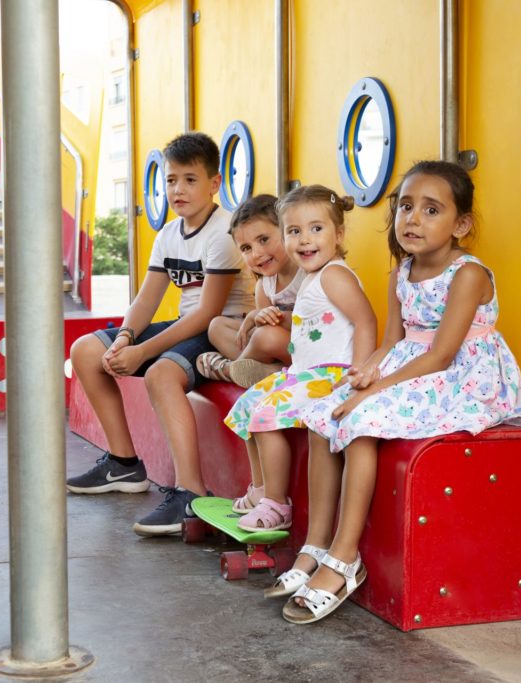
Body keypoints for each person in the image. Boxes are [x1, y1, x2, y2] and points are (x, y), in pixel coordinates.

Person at [283, 160, 521, 624]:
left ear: (461, 224)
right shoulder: (401, 271)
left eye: (431, 210)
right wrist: (362, 374)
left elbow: (440, 355)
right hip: (411, 366)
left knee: (360, 423)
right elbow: (393, 341)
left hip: (463, 378)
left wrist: (368, 398)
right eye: (405, 207)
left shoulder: (469, 275)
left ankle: (344, 557)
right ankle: (315, 544)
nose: (413, 219)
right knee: (324, 415)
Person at [66, 132, 255, 536]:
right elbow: (147, 298)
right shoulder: (170, 234)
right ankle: (123, 464)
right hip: (187, 327)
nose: (178, 189)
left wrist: (142, 352)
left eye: (189, 179)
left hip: (223, 330)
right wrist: (124, 339)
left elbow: (206, 313)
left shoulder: (224, 231)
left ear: (214, 183)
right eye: (171, 180)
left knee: (160, 373)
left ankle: (190, 494)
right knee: (86, 350)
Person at [221, 185, 376, 543]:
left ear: (338, 235)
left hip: (334, 374)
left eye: (316, 229)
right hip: (304, 372)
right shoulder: (311, 277)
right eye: (294, 232)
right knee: (247, 406)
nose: (305, 240)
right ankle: (260, 488)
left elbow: (366, 321)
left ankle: (277, 504)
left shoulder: (335, 275)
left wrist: (358, 375)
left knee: (266, 416)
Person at [195, 194, 303, 389]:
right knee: (217, 327)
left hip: (309, 349)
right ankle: (266, 371)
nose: (257, 254)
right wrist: (257, 316)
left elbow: (312, 323)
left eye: (264, 239)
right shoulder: (265, 285)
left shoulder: (306, 273)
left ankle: (232, 370)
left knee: (266, 337)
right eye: (246, 248)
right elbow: (265, 325)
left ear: (287, 230)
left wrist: (263, 318)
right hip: (281, 349)